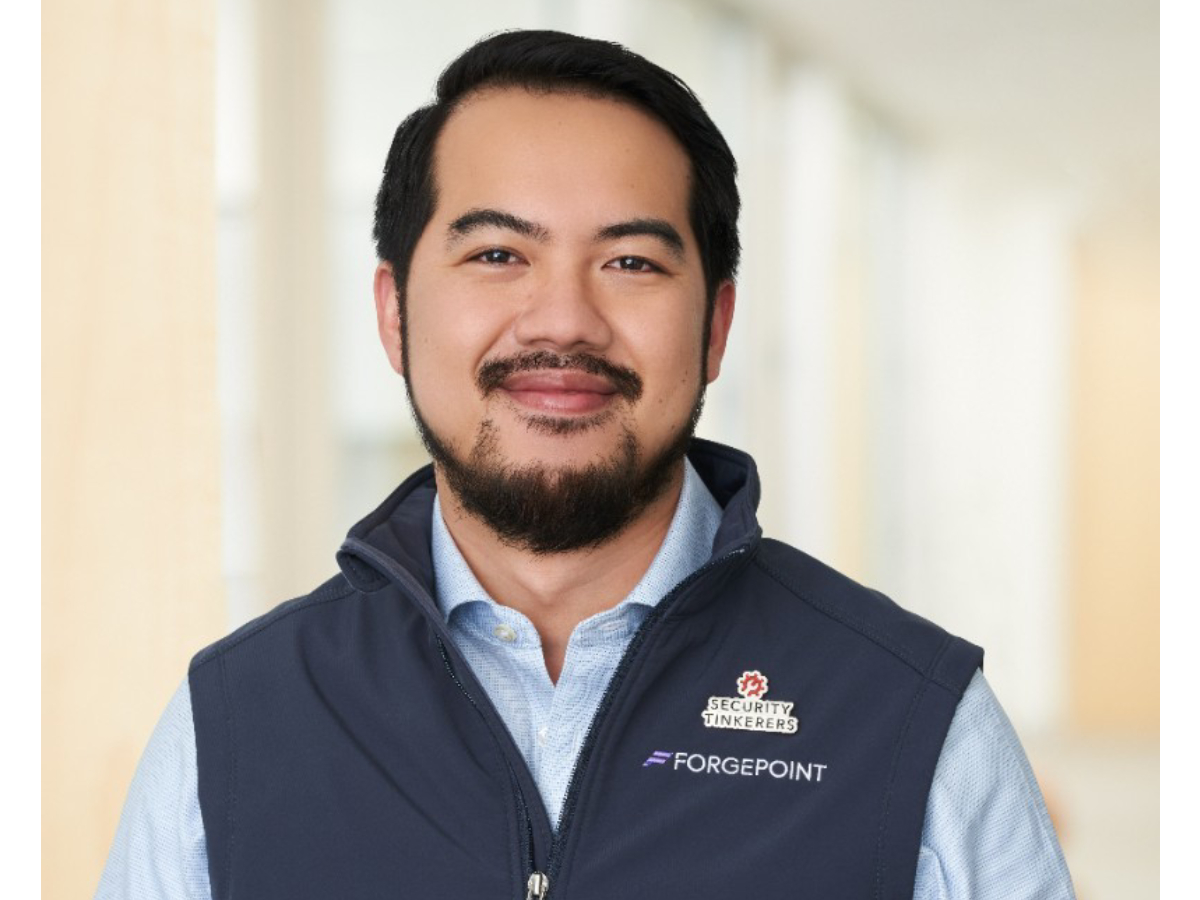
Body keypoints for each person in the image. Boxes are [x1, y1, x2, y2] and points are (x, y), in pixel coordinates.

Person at [96, 30, 1075, 900]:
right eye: (496, 255)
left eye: (631, 263)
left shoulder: (913, 723)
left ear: (716, 326)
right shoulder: (234, 728)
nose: (563, 321)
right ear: (394, 312)